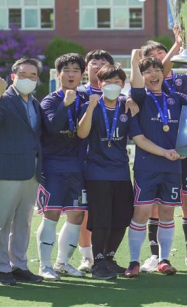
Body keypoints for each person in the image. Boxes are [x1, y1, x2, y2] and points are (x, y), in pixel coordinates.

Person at [125, 50, 187, 277]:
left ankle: (164, 259)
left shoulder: (175, 97)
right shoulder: (139, 99)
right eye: (147, 71)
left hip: (173, 167)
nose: (153, 74)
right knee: (141, 213)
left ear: (164, 74)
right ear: (141, 76)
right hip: (147, 167)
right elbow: (140, 139)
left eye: (157, 70)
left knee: (167, 213)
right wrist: (134, 61)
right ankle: (133, 261)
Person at [0, 57, 70, 286]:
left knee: (23, 222)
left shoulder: (34, 102)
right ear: (14, 76)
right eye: (23, 74)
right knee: (3, 222)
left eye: (33, 75)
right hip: (8, 170)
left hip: (32, 171)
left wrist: (64, 107)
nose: (28, 79)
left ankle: (19, 265)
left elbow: (46, 130)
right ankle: (2, 268)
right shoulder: (5, 97)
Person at [76, 64, 152, 280]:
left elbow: (139, 138)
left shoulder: (126, 106)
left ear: (123, 85)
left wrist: (167, 152)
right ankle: (97, 262)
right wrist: (90, 107)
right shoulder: (90, 104)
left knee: (121, 218)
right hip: (97, 172)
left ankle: (109, 257)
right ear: (99, 84)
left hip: (120, 171)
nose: (112, 86)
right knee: (101, 219)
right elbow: (82, 133)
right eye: (108, 82)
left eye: (117, 82)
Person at [35, 53, 88, 280]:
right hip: (53, 166)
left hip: (77, 167)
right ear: (58, 75)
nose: (71, 74)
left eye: (75, 70)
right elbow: (53, 127)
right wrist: (65, 105)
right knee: (52, 214)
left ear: (81, 75)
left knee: (76, 215)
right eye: (66, 70)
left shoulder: (85, 100)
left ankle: (62, 262)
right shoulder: (50, 100)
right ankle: (44, 265)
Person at [76, 49, 115, 274]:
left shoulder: (119, 96)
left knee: (105, 212)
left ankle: (103, 254)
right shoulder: (78, 93)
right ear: (86, 68)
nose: (98, 67)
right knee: (83, 212)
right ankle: (86, 256)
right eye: (94, 63)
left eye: (103, 63)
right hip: (83, 162)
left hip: (109, 164)